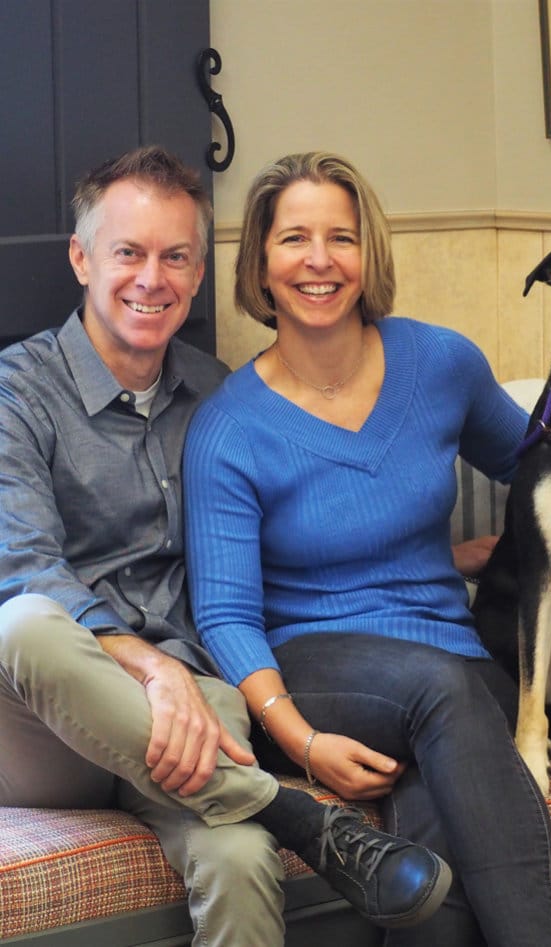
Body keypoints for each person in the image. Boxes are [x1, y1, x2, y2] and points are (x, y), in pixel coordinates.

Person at [0, 146, 453, 947]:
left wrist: (455, 554)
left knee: (243, 858)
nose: (153, 278)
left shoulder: (220, 394)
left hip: (195, 716)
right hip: (47, 725)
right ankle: (297, 815)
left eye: (176, 256)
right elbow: (25, 563)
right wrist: (152, 664)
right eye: (128, 253)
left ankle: (263, 818)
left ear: (199, 273)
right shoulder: (16, 393)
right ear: (81, 256)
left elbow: (289, 536)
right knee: (25, 622)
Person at [184, 151, 551, 947]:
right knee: (441, 691)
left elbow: (544, 465)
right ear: (260, 261)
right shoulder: (228, 428)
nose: (319, 260)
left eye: (342, 237)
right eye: (294, 238)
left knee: (433, 847)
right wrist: (299, 739)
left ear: (371, 254)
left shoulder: (441, 363)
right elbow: (224, 613)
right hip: (312, 671)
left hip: (455, 662)